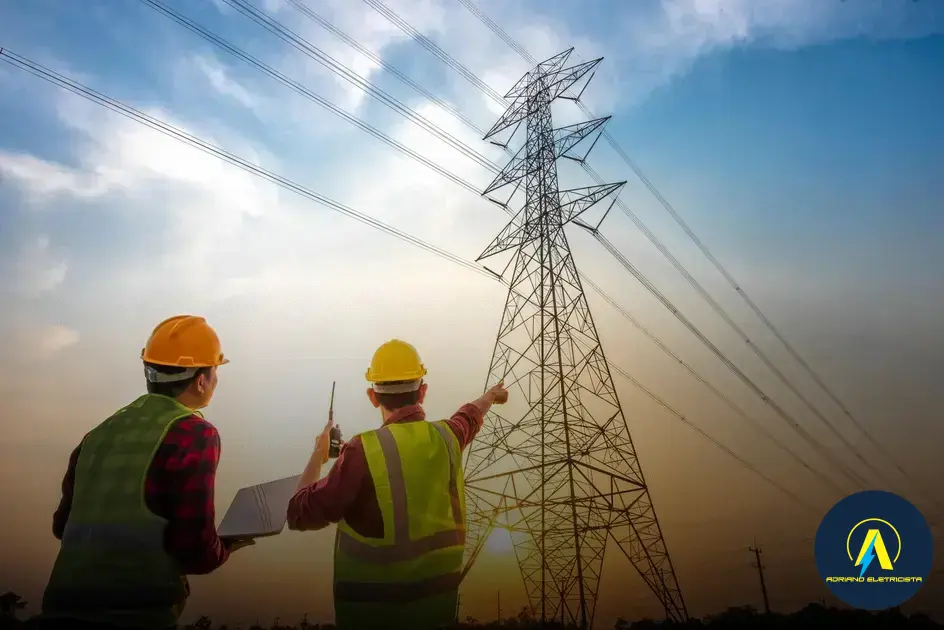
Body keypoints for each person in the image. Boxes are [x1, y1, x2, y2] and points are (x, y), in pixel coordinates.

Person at [36, 315, 253, 630]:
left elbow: (63, 526)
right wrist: (227, 545)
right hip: (134, 616)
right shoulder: (195, 434)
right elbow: (194, 552)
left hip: (58, 611)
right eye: (215, 369)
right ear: (201, 380)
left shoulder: (96, 435)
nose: (216, 379)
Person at [286, 339, 508, 629]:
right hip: (436, 617)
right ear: (423, 391)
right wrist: (490, 396)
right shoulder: (447, 437)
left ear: (372, 396)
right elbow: (469, 416)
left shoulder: (362, 451)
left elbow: (298, 512)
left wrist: (318, 454)